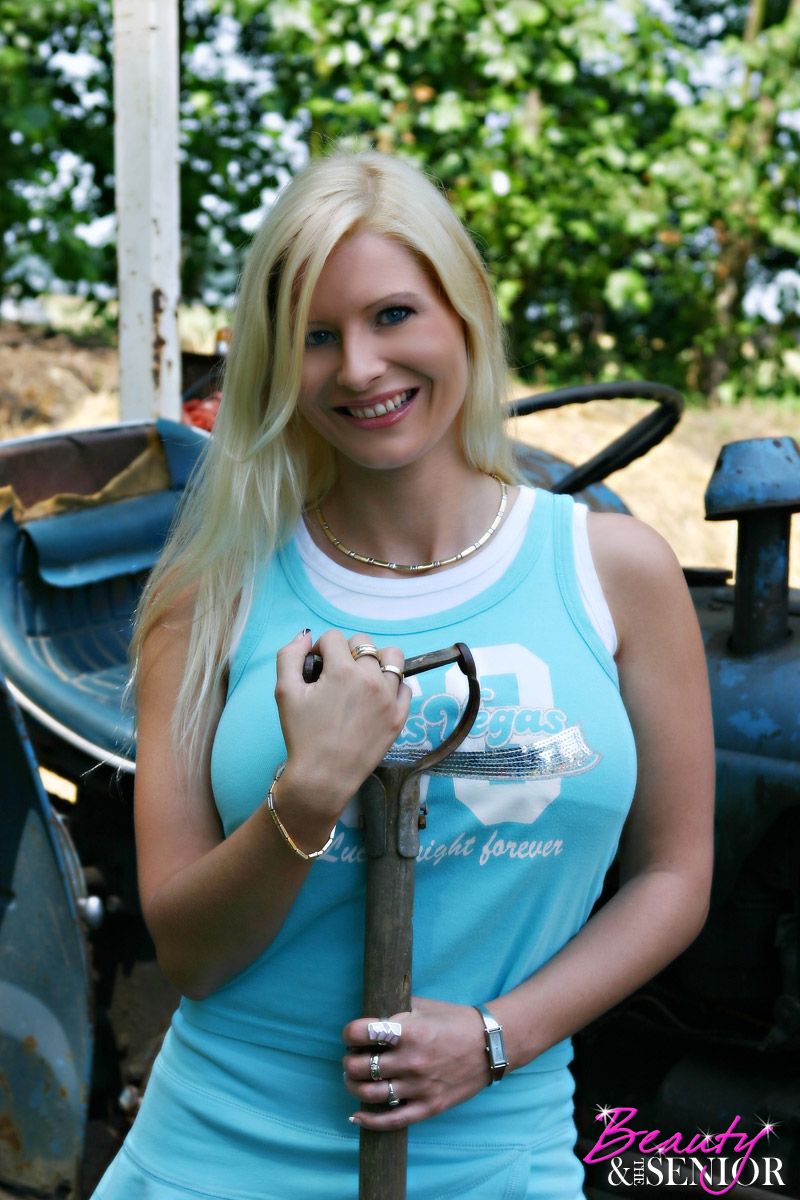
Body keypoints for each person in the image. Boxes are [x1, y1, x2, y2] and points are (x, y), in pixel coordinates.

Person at [92, 149, 714, 1199]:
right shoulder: (211, 596)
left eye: (392, 316)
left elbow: (673, 878)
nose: (359, 368)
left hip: (498, 1161)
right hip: (217, 1162)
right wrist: (308, 791)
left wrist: (495, 1036)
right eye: (315, 336)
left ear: (463, 312)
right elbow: (190, 956)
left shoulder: (613, 571)